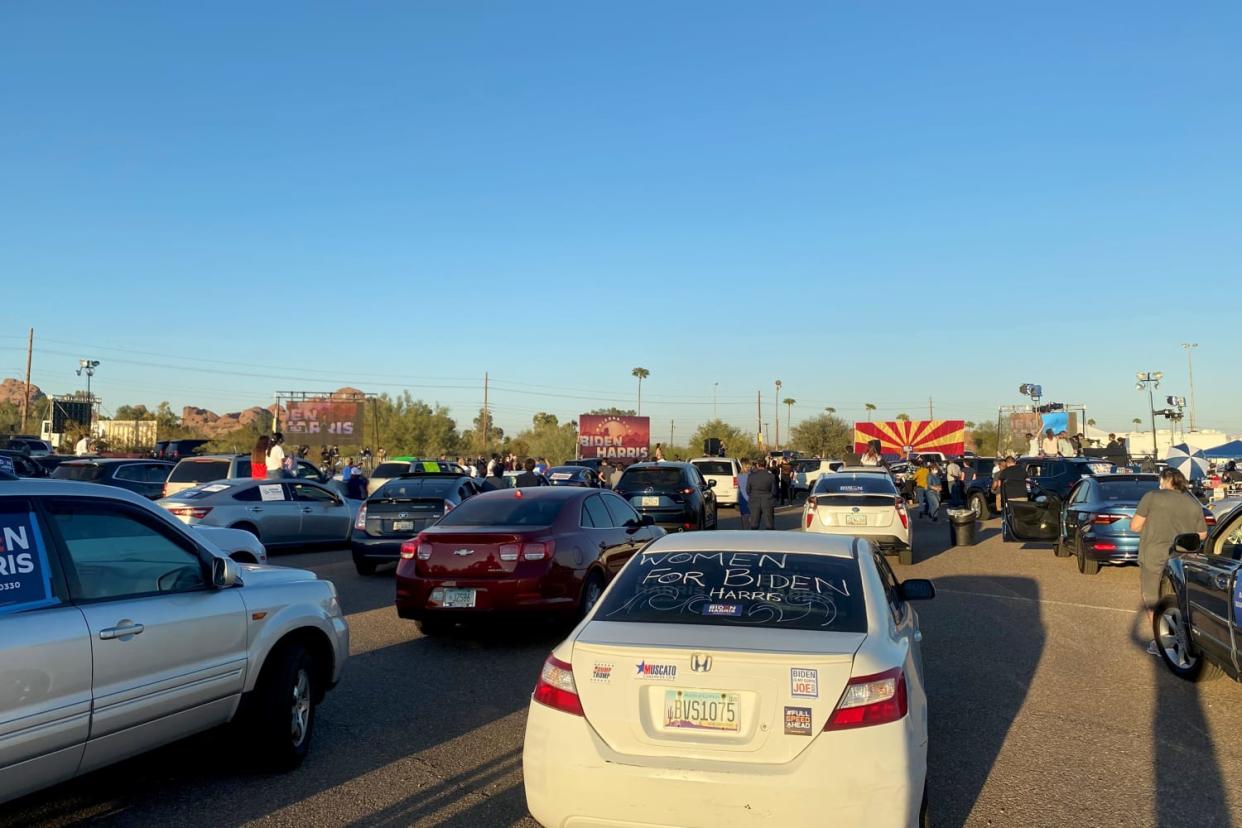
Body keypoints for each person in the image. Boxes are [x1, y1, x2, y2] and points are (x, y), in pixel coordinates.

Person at [1131, 468, 1209, 655]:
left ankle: (1160, 642)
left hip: (1154, 555)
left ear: (1165, 480)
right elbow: (1202, 535)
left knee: (1152, 599)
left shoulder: (1151, 497)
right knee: (1180, 599)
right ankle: (1185, 637)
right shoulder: (1193, 503)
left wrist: (1153, 527)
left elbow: (1134, 526)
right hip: (1182, 558)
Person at [746, 459, 777, 529]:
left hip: (754, 501)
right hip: (768, 501)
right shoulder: (771, 476)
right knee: (769, 525)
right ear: (765, 465)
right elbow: (774, 491)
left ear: (757, 465)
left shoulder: (751, 476)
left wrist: (753, 495)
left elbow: (748, 490)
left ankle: (754, 539)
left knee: (754, 525)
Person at [737, 460, 752, 525]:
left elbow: (739, 487)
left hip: (743, 497)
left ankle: (745, 530)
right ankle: (748, 531)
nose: (749, 468)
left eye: (749, 467)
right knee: (747, 515)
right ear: (744, 467)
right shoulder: (751, 475)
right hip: (748, 497)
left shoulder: (739, 475)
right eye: (747, 467)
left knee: (744, 515)